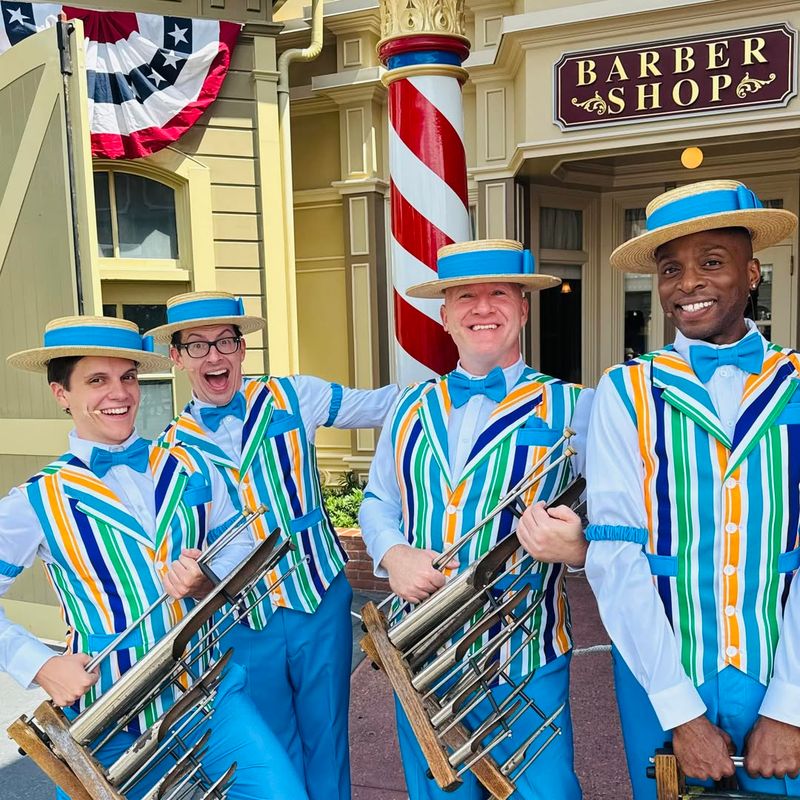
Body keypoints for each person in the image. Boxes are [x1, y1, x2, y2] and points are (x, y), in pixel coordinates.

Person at [0, 315, 310, 800]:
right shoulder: (36, 500)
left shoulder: (189, 462)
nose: (118, 393)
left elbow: (245, 545)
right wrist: (39, 665)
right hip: (107, 715)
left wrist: (209, 578)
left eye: (127, 377)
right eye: (96, 380)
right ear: (61, 393)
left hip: (208, 694)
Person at [585, 179, 800, 798]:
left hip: (782, 668)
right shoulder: (626, 391)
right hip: (661, 674)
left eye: (712, 263)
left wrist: (787, 706)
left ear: (752, 272)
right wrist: (679, 711)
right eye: (671, 269)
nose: (688, 284)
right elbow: (615, 552)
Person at [360, 239, 593, 800]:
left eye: (498, 294)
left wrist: (578, 544)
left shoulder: (577, 407)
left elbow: (613, 518)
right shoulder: (408, 406)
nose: (481, 307)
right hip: (424, 652)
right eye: (465, 296)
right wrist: (393, 554)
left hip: (526, 651)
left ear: (523, 308)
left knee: (547, 791)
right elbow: (376, 501)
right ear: (445, 315)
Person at [147, 291, 398, 800]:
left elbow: (384, 404)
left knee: (327, 737)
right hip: (240, 621)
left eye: (225, 342)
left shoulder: (293, 395)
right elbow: (172, 549)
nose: (214, 356)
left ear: (242, 348)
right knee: (270, 752)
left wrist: (457, 391)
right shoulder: (166, 451)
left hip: (318, 599)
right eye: (196, 346)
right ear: (176, 357)